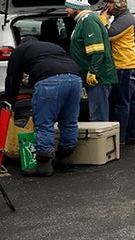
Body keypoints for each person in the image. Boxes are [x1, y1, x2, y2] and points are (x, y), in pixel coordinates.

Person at [4, 36, 82, 177]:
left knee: (44, 123)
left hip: (50, 82)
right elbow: (46, 67)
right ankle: (64, 158)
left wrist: (10, 102)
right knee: (69, 121)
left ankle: (44, 165)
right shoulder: (52, 46)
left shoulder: (20, 50)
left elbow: (12, 77)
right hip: (75, 79)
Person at [64, 0, 117, 122]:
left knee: (98, 116)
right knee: (96, 112)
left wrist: (93, 72)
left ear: (77, 7)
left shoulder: (89, 21)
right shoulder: (83, 20)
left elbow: (97, 49)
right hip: (92, 76)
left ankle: (100, 142)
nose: (66, 9)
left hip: (99, 78)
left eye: (68, 6)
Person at [102, 0, 135, 144]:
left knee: (121, 102)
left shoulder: (125, 20)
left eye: (110, 3)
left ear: (117, 4)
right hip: (132, 65)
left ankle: (120, 139)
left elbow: (108, 35)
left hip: (126, 65)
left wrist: (102, 18)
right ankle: (133, 135)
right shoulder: (124, 18)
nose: (107, 6)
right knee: (132, 101)